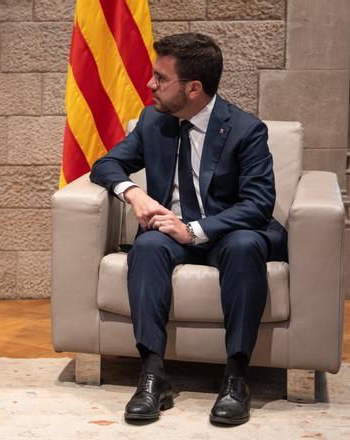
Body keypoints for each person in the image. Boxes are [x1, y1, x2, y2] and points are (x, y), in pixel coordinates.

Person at [90, 33, 288, 426]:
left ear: (193, 88)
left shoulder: (246, 130)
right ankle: (152, 375)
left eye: (161, 79)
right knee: (147, 246)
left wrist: (193, 229)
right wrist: (134, 194)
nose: (150, 85)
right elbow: (105, 166)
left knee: (246, 245)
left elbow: (257, 205)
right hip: (172, 232)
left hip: (226, 232)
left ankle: (235, 378)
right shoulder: (153, 121)